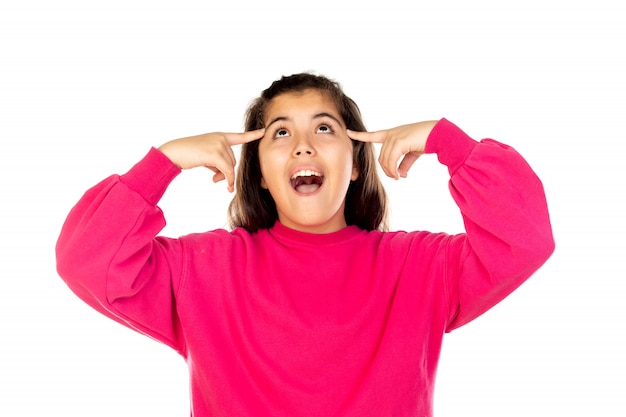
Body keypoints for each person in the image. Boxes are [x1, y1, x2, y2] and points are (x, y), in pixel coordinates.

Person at [55, 72, 555, 416]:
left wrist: (452, 143)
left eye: (324, 127)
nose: (303, 144)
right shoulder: (201, 269)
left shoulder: (421, 266)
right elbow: (84, 259)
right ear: (263, 175)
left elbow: (525, 238)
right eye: (279, 132)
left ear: (356, 163)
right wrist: (161, 163)